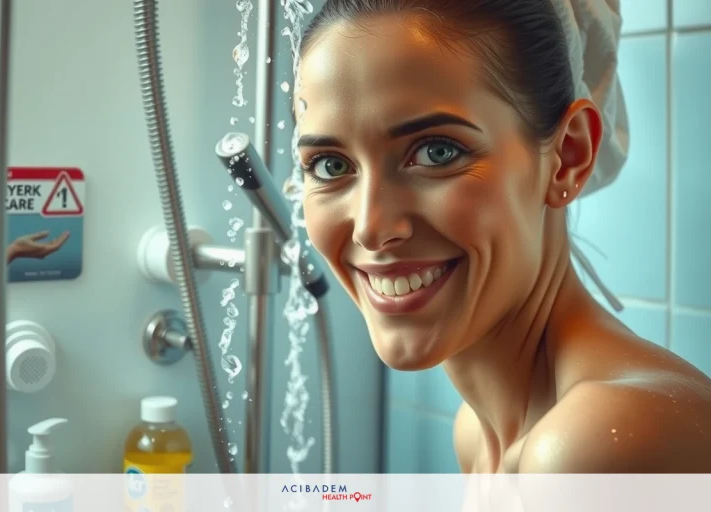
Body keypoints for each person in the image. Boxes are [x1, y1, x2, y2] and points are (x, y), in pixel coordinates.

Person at [294, 0, 711, 472]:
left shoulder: (597, 444)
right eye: (330, 165)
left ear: (569, 155)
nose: (371, 227)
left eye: (436, 152)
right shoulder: (477, 432)